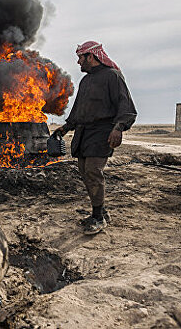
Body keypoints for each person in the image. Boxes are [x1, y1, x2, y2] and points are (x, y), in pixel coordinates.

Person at [55, 41, 137, 235]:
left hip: (102, 132)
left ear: (91, 57)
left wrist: (118, 128)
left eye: (80, 57)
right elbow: (78, 111)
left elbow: (126, 107)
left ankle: (98, 218)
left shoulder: (112, 77)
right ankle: (101, 211)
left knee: (93, 171)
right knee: (84, 171)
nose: (78, 62)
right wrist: (65, 128)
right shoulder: (86, 81)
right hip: (84, 133)